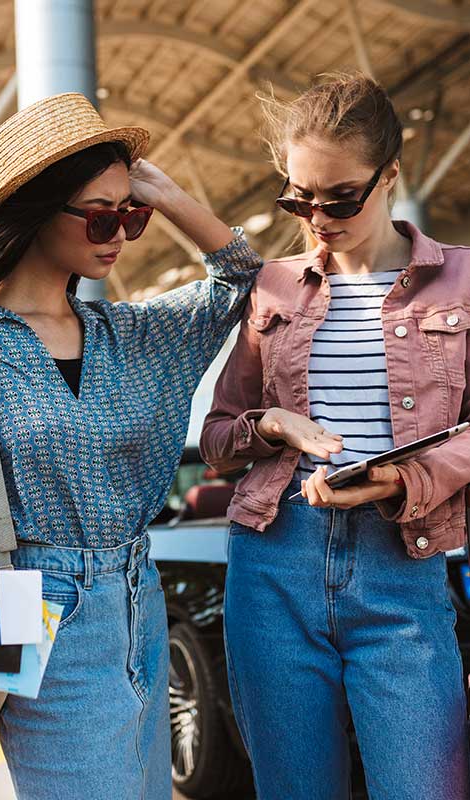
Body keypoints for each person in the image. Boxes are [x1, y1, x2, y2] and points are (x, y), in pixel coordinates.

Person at [0, 92, 263, 799]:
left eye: (133, 214)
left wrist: (171, 195)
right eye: (100, 213)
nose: (120, 231)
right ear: (36, 212)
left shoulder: (131, 335)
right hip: (37, 609)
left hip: (140, 598)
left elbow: (246, 282)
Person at [200, 74, 470, 800]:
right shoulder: (274, 288)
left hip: (402, 565)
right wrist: (272, 425)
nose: (317, 216)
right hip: (273, 562)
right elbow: (220, 434)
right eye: (298, 197)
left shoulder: (462, 283)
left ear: (391, 174)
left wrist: (407, 478)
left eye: (340, 196)